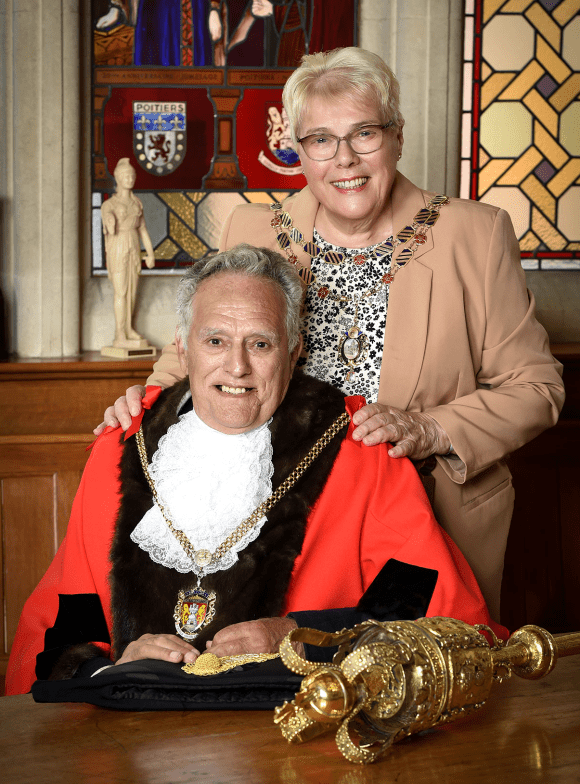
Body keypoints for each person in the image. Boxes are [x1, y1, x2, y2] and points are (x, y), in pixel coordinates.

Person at [96, 49, 564, 621]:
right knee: (276, 675)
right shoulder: (253, 229)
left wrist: (430, 427)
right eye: (320, 139)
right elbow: (203, 347)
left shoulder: (475, 233)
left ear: (396, 137)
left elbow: (537, 388)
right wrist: (145, 402)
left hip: (427, 520)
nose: (345, 158)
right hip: (282, 523)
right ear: (297, 149)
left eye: (364, 133)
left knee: (410, 687)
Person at [6, 246, 502, 696]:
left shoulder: (360, 452)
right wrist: (112, 668)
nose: (237, 366)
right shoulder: (120, 449)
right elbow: (66, 619)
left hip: (295, 732)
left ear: (293, 349)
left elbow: (427, 612)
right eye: (215, 340)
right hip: (131, 736)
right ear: (183, 348)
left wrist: (302, 637)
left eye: (260, 344)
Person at [101, 158, 155, 345]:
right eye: (125, 176)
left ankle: (129, 329)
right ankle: (120, 334)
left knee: (131, 292)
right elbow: (107, 219)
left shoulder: (137, 203)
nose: (129, 179)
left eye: (132, 175)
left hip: (133, 245)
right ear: (117, 178)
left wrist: (150, 253)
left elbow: (143, 230)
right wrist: (109, 220)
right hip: (118, 246)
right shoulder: (110, 204)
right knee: (121, 291)